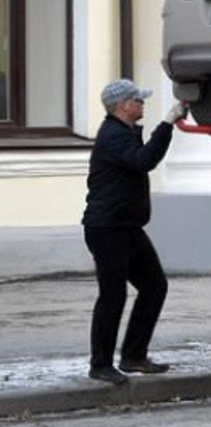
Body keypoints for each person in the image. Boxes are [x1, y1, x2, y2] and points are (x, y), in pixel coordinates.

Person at [81, 79, 187, 384]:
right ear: (123, 105)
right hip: (106, 229)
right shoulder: (113, 136)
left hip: (126, 227)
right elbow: (145, 161)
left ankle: (133, 356)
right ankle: (100, 364)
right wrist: (167, 123)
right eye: (138, 100)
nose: (142, 104)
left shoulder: (125, 132)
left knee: (154, 286)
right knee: (112, 296)